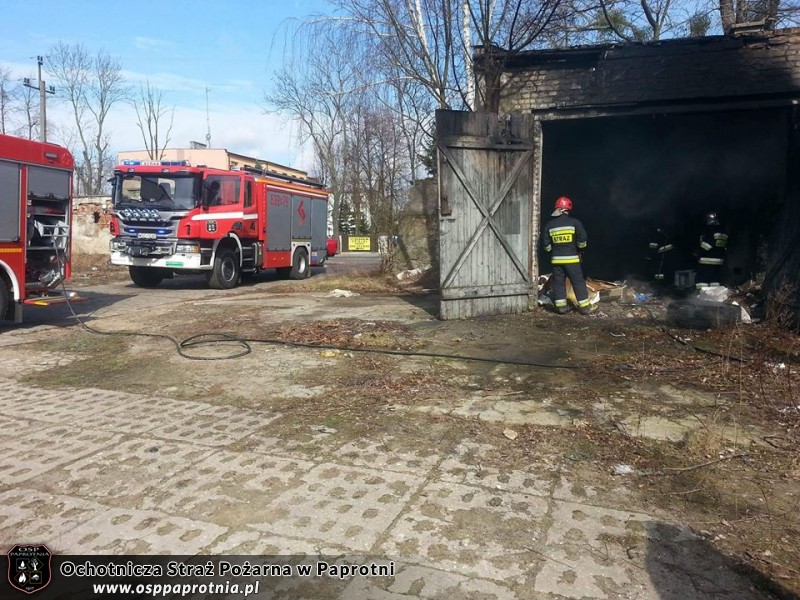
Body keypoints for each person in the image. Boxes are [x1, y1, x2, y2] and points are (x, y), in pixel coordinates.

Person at [542, 196, 593, 315]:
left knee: (559, 283)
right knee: (578, 282)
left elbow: (546, 244)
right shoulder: (574, 223)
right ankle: (584, 307)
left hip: (557, 261)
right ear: (567, 210)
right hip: (572, 260)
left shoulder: (550, 225)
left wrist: (551, 250)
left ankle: (561, 308)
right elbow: (582, 239)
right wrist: (580, 248)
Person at [695, 212, 728, 288]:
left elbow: (707, 245)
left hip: (706, 261)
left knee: (701, 279)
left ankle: (702, 293)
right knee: (715, 280)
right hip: (719, 261)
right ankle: (714, 293)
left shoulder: (711, 231)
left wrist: (697, 253)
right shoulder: (723, 233)